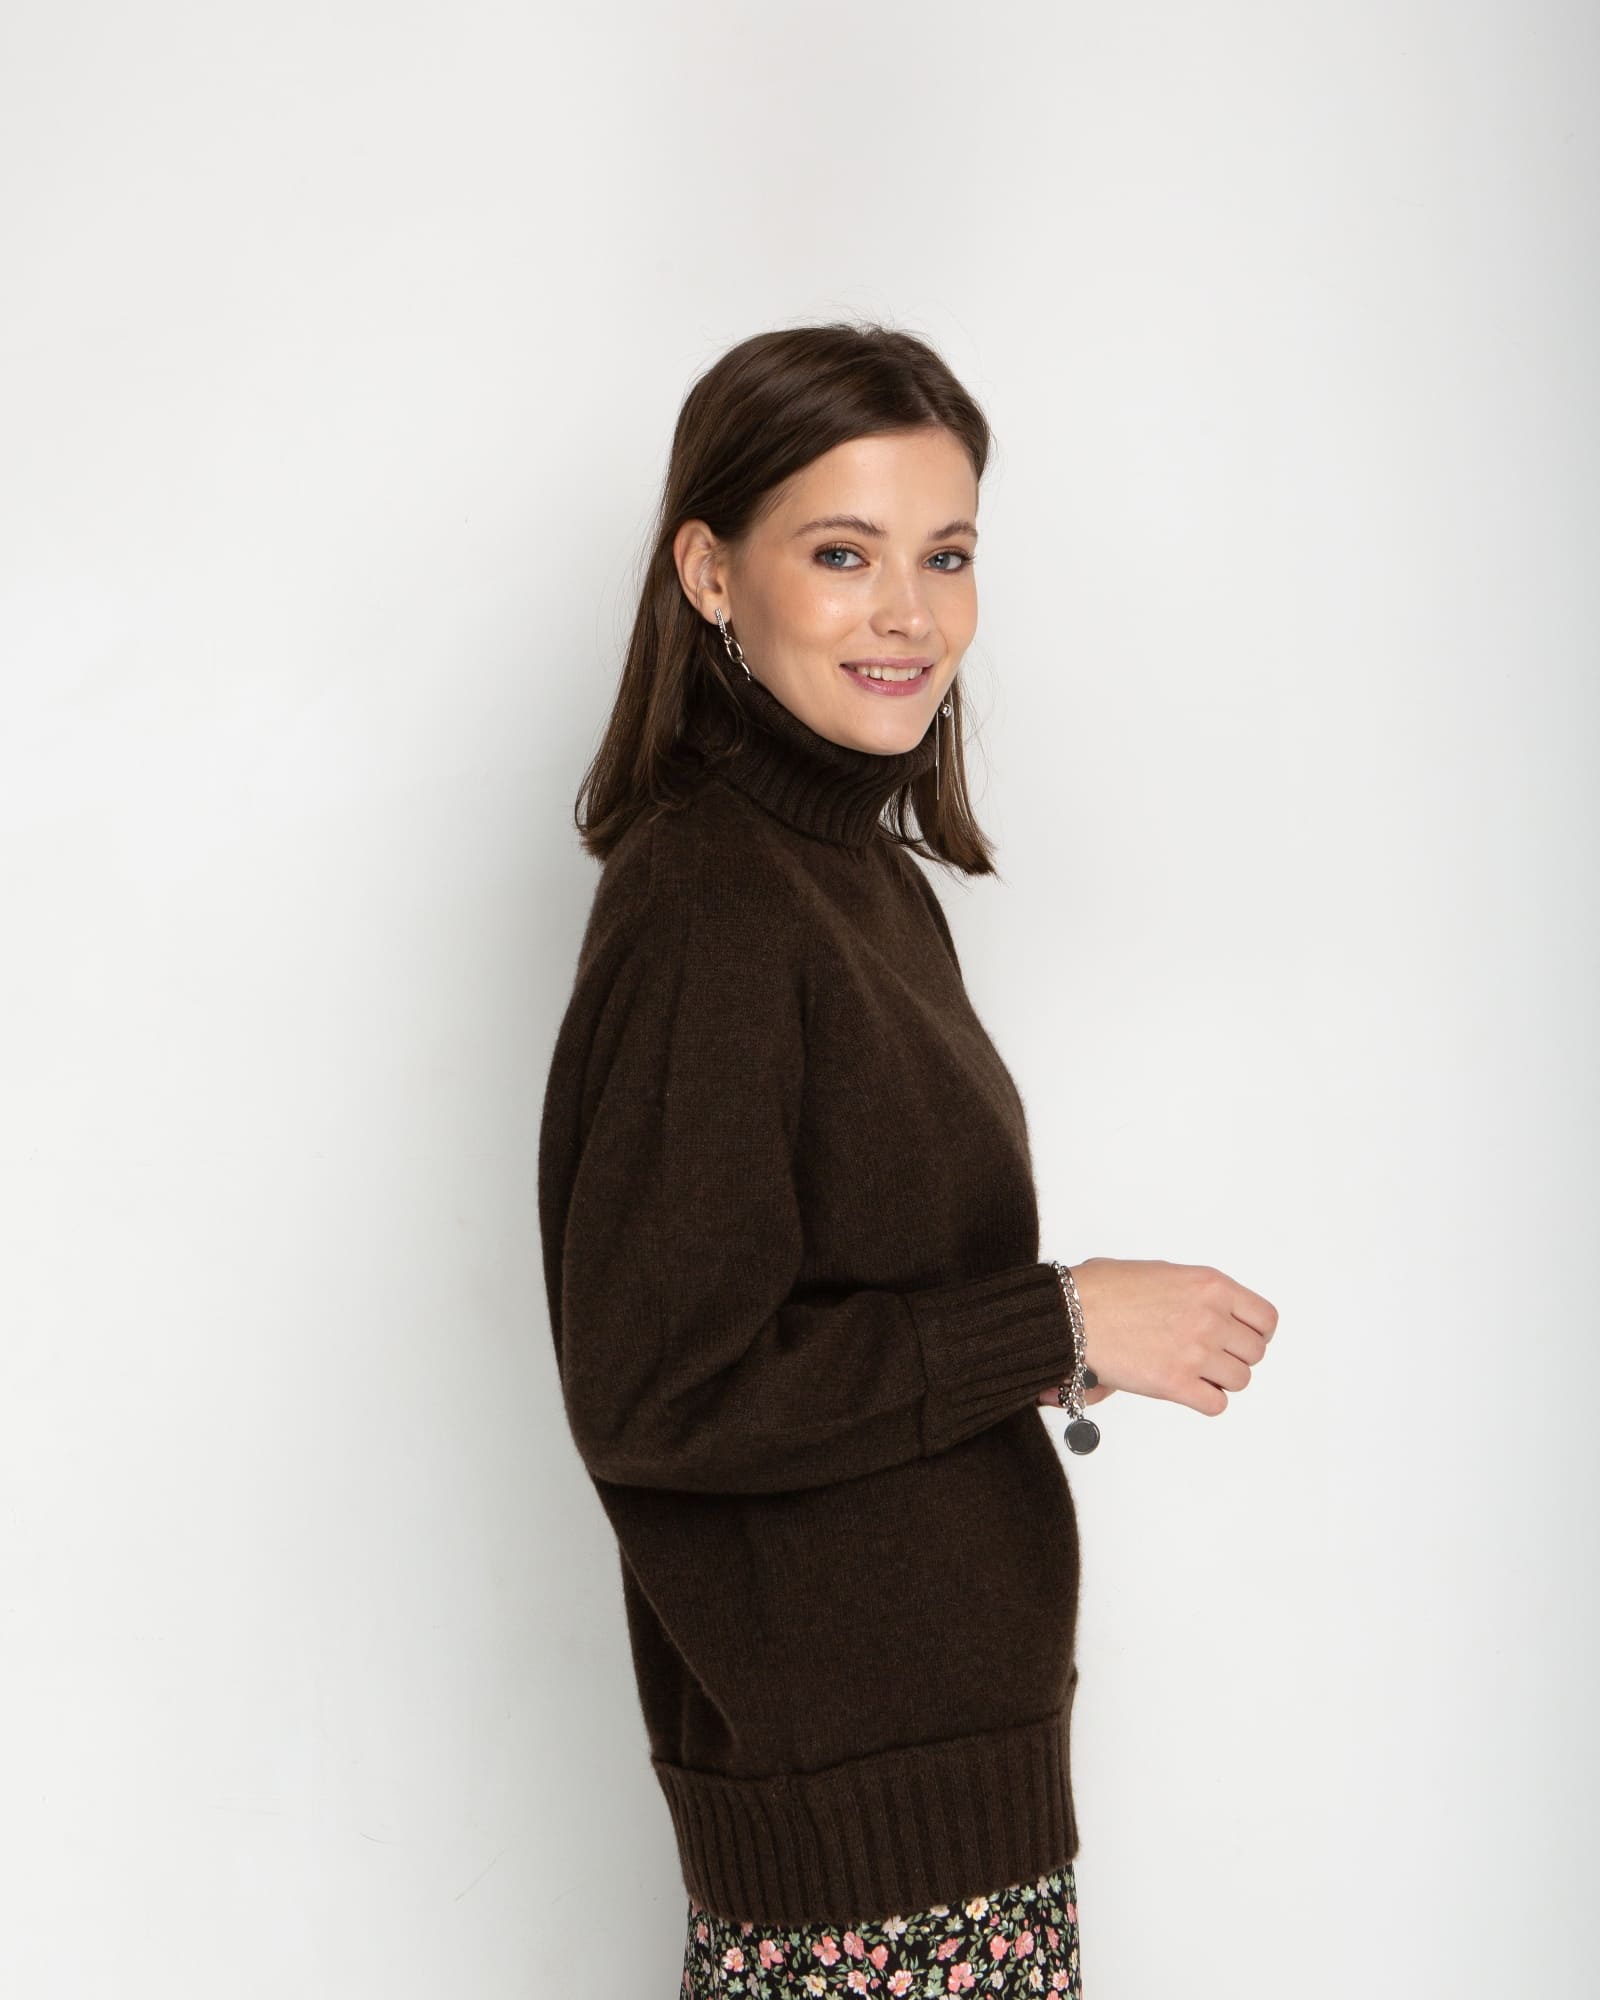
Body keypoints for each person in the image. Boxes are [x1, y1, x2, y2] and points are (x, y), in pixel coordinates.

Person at [536, 322, 1278, 1996]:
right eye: (842, 553)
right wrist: (1059, 1320)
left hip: (951, 1808)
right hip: (856, 1863)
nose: (911, 614)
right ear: (710, 574)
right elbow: (661, 1392)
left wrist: (1047, 1339)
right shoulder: (709, 896)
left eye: (945, 555)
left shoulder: (859, 882)